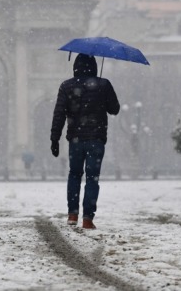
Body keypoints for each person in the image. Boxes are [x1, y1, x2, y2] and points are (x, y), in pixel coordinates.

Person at [50, 53, 120, 229]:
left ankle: (72, 214)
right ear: (95, 66)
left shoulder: (66, 86)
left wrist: (54, 138)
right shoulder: (103, 84)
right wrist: (102, 94)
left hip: (75, 139)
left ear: (75, 67)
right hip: (96, 138)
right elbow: (115, 109)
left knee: (74, 175)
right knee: (92, 178)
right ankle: (88, 218)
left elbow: (59, 114)